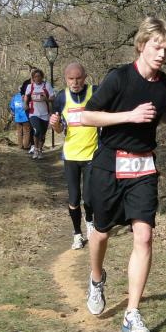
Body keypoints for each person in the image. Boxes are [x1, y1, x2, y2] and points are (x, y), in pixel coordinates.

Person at [78, 16, 166, 332]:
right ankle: (96, 277)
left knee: (144, 236)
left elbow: (160, 109)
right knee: (101, 233)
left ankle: (132, 313)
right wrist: (128, 116)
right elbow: (86, 116)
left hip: (143, 167)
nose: (162, 54)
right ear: (142, 45)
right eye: (157, 47)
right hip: (108, 164)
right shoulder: (118, 78)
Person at [49, 63, 98, 250]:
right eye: (71, 79)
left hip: (93, 152)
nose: (75, 83)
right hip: (71, 155)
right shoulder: (61, 98)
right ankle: (77, 234)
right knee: (74, 198)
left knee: (89, 197)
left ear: (85, 77)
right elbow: (59, 129)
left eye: (78, 78)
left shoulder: (95, 92)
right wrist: (55, 124)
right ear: (66, 79)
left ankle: (90, 221)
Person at [23, 68, 54, 159]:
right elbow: (26, 96)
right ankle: (36, 149)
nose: (37, 78)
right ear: (33, 78)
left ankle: (40, 150)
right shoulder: (30, 86)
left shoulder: (47, 85)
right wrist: (25, 104)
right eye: (35, 77)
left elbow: (53, 98)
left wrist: (46, 99)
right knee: (37, 131)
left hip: (44, 114)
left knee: (42, 134)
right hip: (33, 113)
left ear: (42, 77)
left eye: (39, 76)